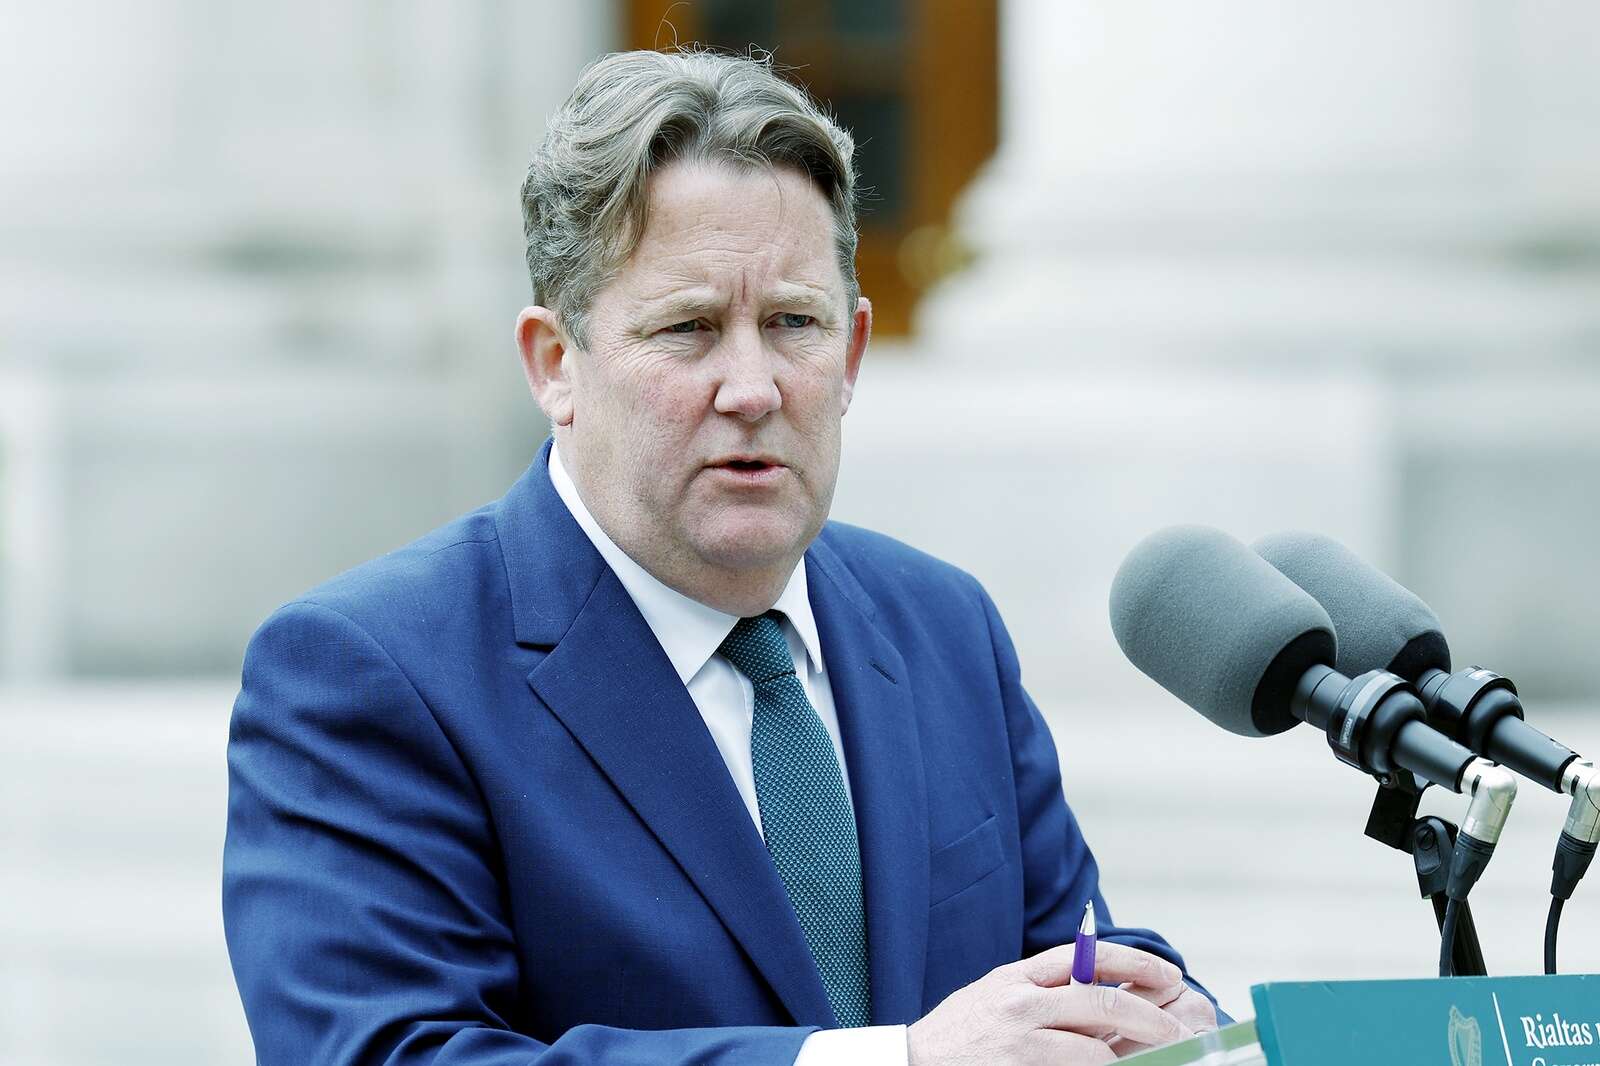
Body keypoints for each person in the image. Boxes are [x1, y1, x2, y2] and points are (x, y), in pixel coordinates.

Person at [222, 48, 1225, 1066]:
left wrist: (1160, 1019)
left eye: (793, 323)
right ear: (555, 364)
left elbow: (1065, 957)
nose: (752, 387)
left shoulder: (941, 623)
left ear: (852, 354)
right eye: (689, 328)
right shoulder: (370, 671)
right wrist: (897, 1062)